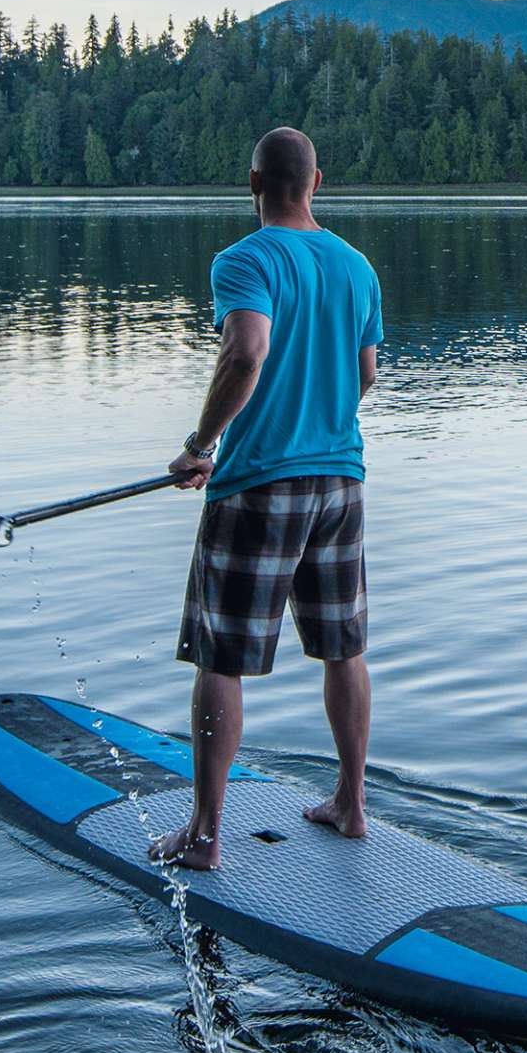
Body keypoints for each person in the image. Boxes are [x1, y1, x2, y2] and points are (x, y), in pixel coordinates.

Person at [151, 125, 384, 866]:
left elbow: (245, 351)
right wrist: (319, 417)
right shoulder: (355, 265)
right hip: (340, 481)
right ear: (318, 181)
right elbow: (366, 374)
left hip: (258, 489)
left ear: (252, 184)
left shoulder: (245, 258)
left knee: (219, 659)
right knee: (341, 649)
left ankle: (204, 836)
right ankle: (350, 803)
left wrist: (201, 446)